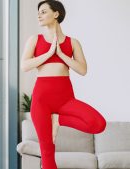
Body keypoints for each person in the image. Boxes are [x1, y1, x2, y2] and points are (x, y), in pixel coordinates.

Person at [20, 0, 106, 169]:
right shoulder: (34, 40)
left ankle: (57, 120)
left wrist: (61, 54)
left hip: (65, 99)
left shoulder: (72, 42)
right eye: (38, 12)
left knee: (98, 124)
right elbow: (24, 66)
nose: (39, 14)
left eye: (44, 11)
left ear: (56, 14)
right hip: (41, 101)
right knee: (47, 153)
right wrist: (49, 53)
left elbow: (82, 70)